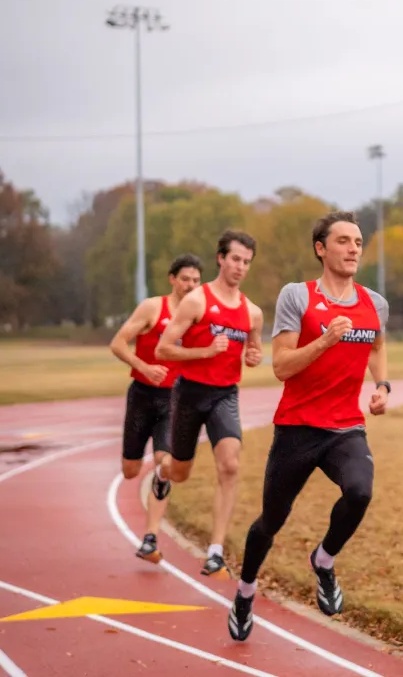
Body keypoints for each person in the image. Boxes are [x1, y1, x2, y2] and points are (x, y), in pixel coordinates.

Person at [228, 210, 390, 643]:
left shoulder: (375, 303)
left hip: (345, 427)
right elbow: (281, 366)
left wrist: (383, 385)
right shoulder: (297, 296)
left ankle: (324, 559)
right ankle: (245, 591)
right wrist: (324, 341)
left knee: (360, 491)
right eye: (343, 241)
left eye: (358, 242)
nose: (353, 248)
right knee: (271, 521)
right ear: (321, 248)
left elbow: (376, 345)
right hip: (298, 427)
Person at [156, 229, 263, 578]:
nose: (240, 267)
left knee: (230, 465)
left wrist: (252, 354)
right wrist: (204, 351)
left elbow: (253, 348)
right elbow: (163, 349)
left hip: (224, 395)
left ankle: (215, 550)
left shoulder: (252, 312)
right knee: (180, 474)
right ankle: (161, 472)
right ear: (221, 258)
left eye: (246, 262)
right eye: (235, 259)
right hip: (189, 393)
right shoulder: (197, 301)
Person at [109, 253, 203, 563]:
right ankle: (149, 469)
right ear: (172, 279)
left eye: (196, 280)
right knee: (130, 470)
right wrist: (144, 366)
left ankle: (150, 538)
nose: (190, 285)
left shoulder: (199, 314)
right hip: (141, 396)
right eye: (185, 279)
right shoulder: (153, 307)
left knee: (164, 464)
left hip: (174, 400)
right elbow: (118, 343)